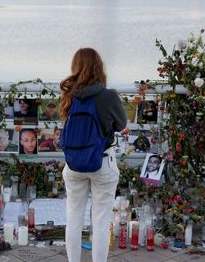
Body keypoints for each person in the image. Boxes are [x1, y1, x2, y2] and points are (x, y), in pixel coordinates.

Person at [60, 48, 127, 262]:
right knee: (100, 221)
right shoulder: (108, 96)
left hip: (74, 165)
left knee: (73, 218)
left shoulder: (70, 95)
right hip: (102, 163)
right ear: (99, 67)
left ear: (76, 67)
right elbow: (121, 124)